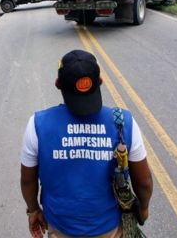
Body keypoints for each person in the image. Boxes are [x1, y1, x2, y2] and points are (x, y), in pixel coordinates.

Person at [20, 50, 153, 238]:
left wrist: (33, 210)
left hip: (60, 228)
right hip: (109, 229)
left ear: (58, 85)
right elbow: (144, 182)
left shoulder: (37, 125)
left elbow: (28, 179)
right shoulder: (123, 122)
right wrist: (144, 208)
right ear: (100, 82)